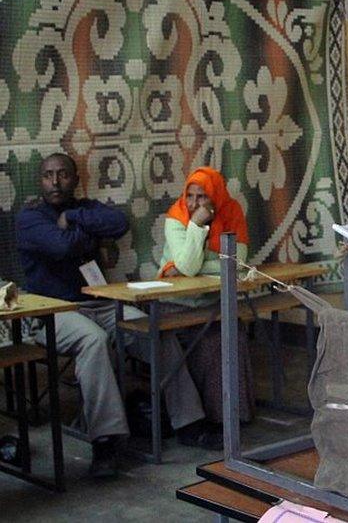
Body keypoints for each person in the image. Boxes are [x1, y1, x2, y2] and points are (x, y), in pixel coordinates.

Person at [15, 153, 221, 478]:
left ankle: (190, 423)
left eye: (63, 175)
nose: (55, 182)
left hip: (101, 302)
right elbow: (62, 248)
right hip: (53, 310)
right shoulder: (30, 218)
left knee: (152, 330)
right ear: (40, 181)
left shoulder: (83, 208)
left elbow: (119, 223)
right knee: (93, 340)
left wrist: (72, 217)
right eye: (48, 176)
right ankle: (106, 441)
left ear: (75, 179)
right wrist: (90, 235)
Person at [158, 166, 254, 424]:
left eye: (202, 197)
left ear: (216, 196)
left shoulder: (231, 211)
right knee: (192, 337)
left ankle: (228, 419)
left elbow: (237, 262)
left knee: (227, 334)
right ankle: (198, 419)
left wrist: (188, 268)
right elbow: (191, 265)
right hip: (174, 304)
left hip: (212, 303)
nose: (193, 203)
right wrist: (196, 225)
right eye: (190, 196)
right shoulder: (176, 217)